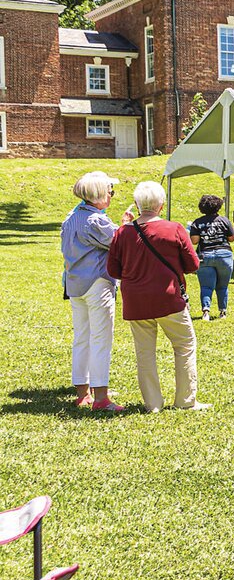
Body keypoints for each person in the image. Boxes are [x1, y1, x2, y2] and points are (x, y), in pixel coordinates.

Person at [106, 181, 205, 413]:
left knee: (144, 352)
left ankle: (153, 404)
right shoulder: (175, 228)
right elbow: (193, 264)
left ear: (138, 205)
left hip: (136, 301)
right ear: (161, 205)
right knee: (184, 345)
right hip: (168, 298)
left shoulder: (123, 232)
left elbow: (113, 270)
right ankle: (185, 400)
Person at [62, 170, 123, 411]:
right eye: (110, 192)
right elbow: (118, 242)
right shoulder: (96, 220)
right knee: (101, 339)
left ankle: (82, 391)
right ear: (99, 194)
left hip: (75, 283)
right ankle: (101, 398)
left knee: (82, 338)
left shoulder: (71, 218)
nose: (112, 196)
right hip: (97, 283)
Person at [189, 194, 234, 321]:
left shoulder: (197, 222)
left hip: (205, 256)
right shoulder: (224, 220)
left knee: (206, 286)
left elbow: (194, 241)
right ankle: (223, 312)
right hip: (224, 255)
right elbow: (231, 238)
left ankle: (205, 312)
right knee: (223, 286)